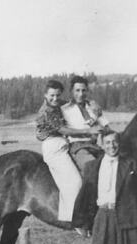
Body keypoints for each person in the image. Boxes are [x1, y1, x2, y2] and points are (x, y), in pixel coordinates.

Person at [35, 79, 105, 227]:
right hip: (54, 148)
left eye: (58, 95)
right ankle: (74, 221)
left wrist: (92, 104)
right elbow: (63, 130)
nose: (55, 99)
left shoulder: (58, 104)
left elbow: (76, 101)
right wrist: (88, 130)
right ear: (44, 95)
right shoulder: (45, 111)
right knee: (75, 182)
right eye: (51, 95)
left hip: (64, 145)